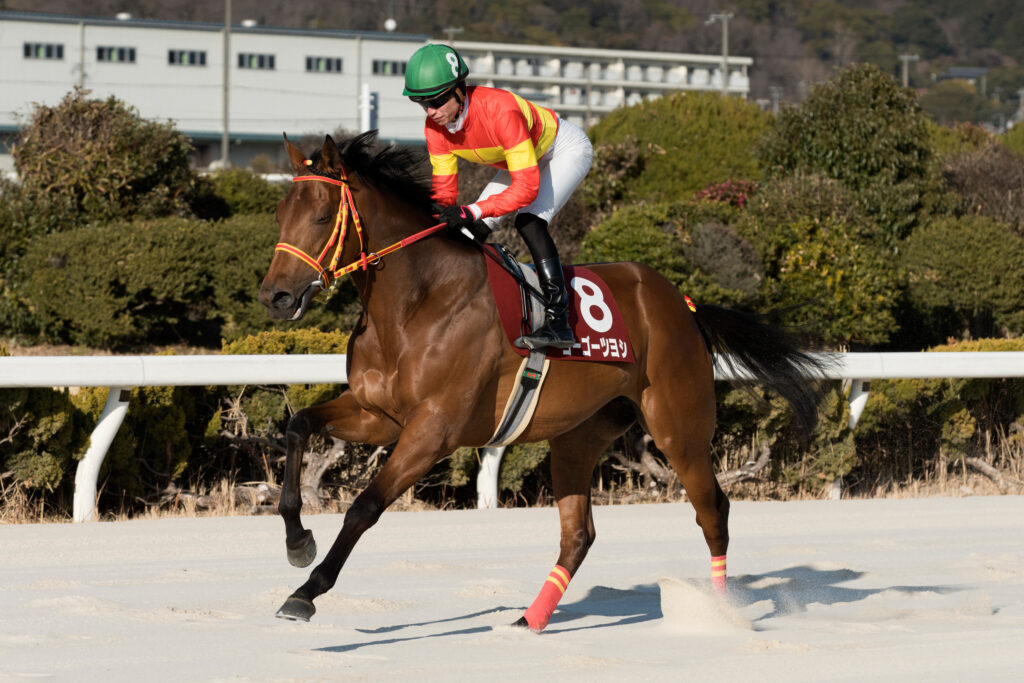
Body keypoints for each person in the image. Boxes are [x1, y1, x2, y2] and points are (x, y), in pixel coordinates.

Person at [403, 43, 593, 350]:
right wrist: (437, 218)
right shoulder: (434, 129)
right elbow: (445, 193)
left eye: (436, 101)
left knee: (529, 220)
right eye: (421, 103)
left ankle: (559, 322)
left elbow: (526, 189)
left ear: (459, 90)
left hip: (562, 149)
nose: (431, 112)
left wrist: (474, 210)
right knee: (469, 232)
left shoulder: (501, 110)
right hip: (518, 160)